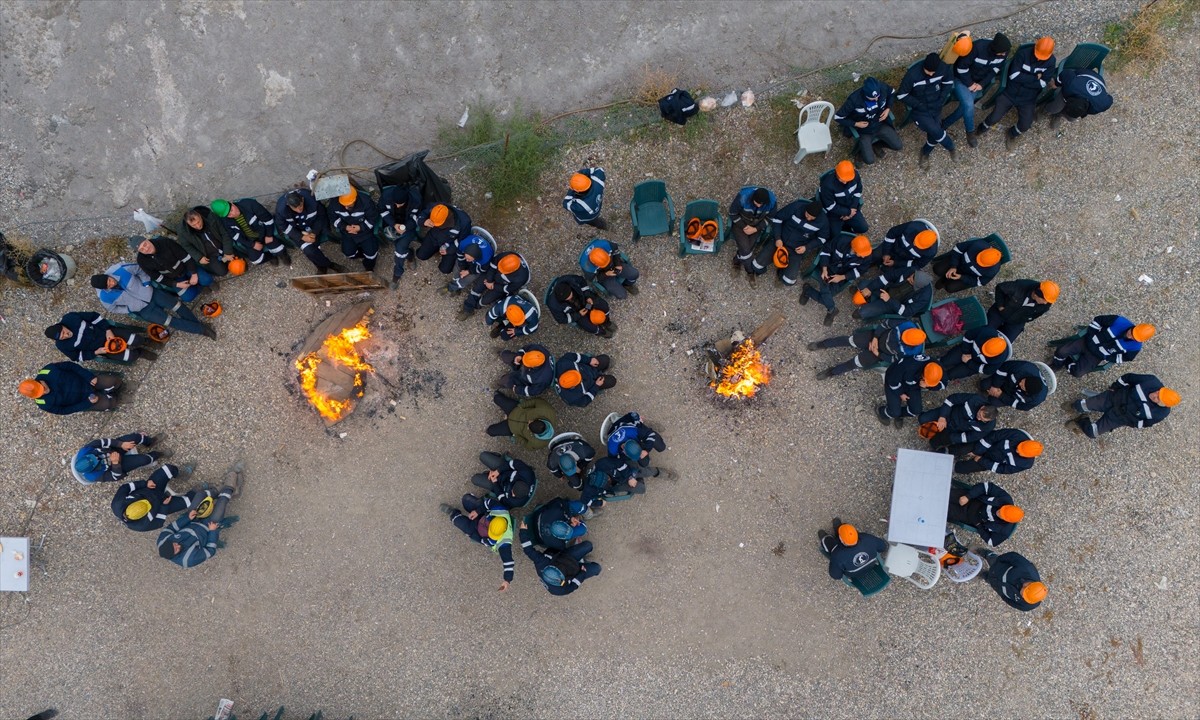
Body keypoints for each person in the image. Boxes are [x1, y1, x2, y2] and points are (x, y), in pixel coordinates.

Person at [91, 263, 215, 339]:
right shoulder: (104, 297)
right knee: (171, 321)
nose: (112, 283)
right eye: (108, 285)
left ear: (107, 275)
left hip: (153, 293)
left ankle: (198, 327)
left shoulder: (119, 269)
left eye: (109, 279)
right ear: (104, 288)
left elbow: (139, 269)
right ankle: (202, 329)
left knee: (178, 306)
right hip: (144, 310)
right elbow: (112, 308)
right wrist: (129, 309)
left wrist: (146, 284)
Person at [977, 36, 1057, 150]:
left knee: (1026, 125)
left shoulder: (1051, 61)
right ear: (1035, 46)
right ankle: (982, 128)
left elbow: (1043, 83)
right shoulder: (1023, 54)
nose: (1040, 59)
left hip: (1028, 99)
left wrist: (1025, 79)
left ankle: (1011, 134)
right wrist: (1035, 77)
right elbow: (1013, 76)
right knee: (994, 117)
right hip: (1010, 93)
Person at [156, 468, 241, 569]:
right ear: (174, 556)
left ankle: (216, 491)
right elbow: (210, 551)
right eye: (176, 549)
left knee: (200, 495)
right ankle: (230, 488)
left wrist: (188, 518)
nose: (178, 545)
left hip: (193, 521)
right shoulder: (189, 560)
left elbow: (173, 527)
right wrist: (212, 532)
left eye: (175, 544)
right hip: (207, 530)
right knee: (221, 504)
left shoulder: (163, 540)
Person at [942, 33, 1011, 145]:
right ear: (994, 49)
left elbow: (995, 70)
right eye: (1002, 52)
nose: (1004, 55)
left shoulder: (1004, 53)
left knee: (966, 106)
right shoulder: (977, 48)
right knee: (969, 105)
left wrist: (982, 84)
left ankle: (944, 124)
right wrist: (970, 84)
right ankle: (970, 132)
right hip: (962, 80)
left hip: (977, 84)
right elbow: (961, 68)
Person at [439, 496, 515, 592]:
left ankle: (453, 513)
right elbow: (487, 503)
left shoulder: (505, 542)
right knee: (466, 500)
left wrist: (507, 580)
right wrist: (478, 511)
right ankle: (470, 507)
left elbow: (508, 562)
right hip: (482, 516)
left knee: (459, 522)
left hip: (480, 534)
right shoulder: (500, 510)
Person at [1067, 373, 1179, 438]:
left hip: (1118, 418)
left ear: (1162, 405)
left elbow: (1145, 423)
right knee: (1080, 406)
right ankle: (1074, 406)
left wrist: (1128, 422)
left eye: (1158, 398)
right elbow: (1127, 377)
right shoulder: (1151, 381)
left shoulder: (1161, 413)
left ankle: (1082, 419)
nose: (1155, 394)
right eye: (1159, 392)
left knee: (1092, 433)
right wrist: (1114, 387)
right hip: (1112, 398)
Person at [801, 232, 874, 326]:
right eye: (861, 254)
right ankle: (831, 308)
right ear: (853, 249)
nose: (864, 256)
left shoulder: (867, 256)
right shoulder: (841, 240)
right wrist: (824, 269)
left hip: (842, 275)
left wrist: (842, 277)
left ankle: (808, 291)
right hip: (827, 269)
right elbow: (825, 251)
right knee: (825, 289)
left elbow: (860, 271)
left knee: (827, 295)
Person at [809, 320, 927, 378]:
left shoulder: (913, 352)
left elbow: (893, 359)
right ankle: (823, 344)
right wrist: (875, 337)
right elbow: (885, 325)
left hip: (879, 353)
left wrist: (877, 353)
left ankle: (832, 372)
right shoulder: (906, 324)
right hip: (876, 337)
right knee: (850, 340)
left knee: (855, 363)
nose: (902, 337)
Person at [897, 53, 956, 167]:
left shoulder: (942, 67)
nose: (931, 74)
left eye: (933, 72)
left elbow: (948, 82)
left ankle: (925, 152)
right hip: (920, 111)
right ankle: (951, 147)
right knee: (935, 129)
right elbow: (901, 95)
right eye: (928, 71)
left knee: (935, 133)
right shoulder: (912, 75)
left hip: (936, 106)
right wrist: (918, 104)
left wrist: (941, 98)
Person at [753, 199, 830, 285]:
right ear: (805, 209)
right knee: (756, 265)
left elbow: (822, 239)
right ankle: (770, 263)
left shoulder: (823, 222)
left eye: (812, 217)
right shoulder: (796, 207)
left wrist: (806, 247)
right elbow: (777, 219)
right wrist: (777, 237)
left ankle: (781, 272)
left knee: (789, 281)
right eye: (807, 215)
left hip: (796, 249)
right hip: (780, 242)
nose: (808, 218)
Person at [1051, 315, 1153, 377]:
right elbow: (1098, 320)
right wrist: (1090, 336)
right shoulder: (1119, 321)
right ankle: (1056, 365)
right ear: (1135, 327)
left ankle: (1067, 362)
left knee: (1077, 373)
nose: (1131, 337)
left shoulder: (1135, 347)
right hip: (1086, 341)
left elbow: (1126, 358)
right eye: (1132, 333)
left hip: (1096, 356)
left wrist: (1107, 357)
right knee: (1061, 351)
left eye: (1135, 338)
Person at [518, 519, 601, 596]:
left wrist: (523, 532)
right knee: (597, 568)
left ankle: (580, 558)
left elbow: (528, 550)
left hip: (566, 557)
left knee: (588, 545)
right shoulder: (559, 590)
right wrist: (582, 574)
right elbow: (574, 585)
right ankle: (582, 561)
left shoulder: (542, 562)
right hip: (574, 571)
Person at [110, 463, 200, 532]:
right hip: (160, 506)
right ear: (142, 516)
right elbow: (159, 522)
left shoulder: (117, 504)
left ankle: (181, 476)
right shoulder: (141, 526)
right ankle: (197, 492)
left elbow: (125, 487)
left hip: (151, 489)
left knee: (168, 469)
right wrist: (164, 506)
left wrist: (145, 484)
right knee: (191, 500)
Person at [833, 76, 902, 164]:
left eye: (878, 96)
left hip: (880, 125)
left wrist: (888, 108)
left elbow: (892, 93)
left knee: (898, 146)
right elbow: (838, 117)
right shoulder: (854, 100)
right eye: (872, 98)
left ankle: (876, 145)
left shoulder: (882, 87)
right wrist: (856, 124)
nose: (876, 99)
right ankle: (860, 153)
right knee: (869, 160)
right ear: (865, 94)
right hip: (864, 131)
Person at [275, 188, 343, 274]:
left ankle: (321, 268)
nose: (298, 210)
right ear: (288, 205)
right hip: (298, 231)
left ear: (302, 199)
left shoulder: (312, 200)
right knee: (309, 251)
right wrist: (301, 236)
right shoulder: (281, 209)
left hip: (314, 227)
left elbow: (321, 216)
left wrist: (314, 232)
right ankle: (329, 265)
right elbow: (282, 225)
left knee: (312, 251)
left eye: (300, 205)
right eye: (294, 208)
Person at [45, 311, 157, 363]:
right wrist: (96, 352)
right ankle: (140, 352)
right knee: (130, 357)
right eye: (62, 337)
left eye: (63, 332)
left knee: (136, 339)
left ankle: (146, 341)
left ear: (62, 325)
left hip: (107, 333)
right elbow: (77, 357)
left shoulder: (71, 318)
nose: (65, 335)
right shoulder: (62, 346)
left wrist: (108, 330)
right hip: (104, 348)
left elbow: (94, 317)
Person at [210, 198, 290, 267]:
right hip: (250, 239)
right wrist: (252, 244)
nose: (233, 214)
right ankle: (271, 256)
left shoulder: (250, 204)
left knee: (278, 248)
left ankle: (283, 254)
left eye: (231, 210)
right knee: (256, 260)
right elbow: (235, 236)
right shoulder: (225, 220)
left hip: (264, 233)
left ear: (231, 203)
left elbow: (268, 219)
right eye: (229, 215)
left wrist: (269, 235)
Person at [19, 362, 122, 415]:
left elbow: (71, 366)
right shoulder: (44, 405)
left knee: (115, 382)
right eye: (41, 393)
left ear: (38, 381)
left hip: (87, 381)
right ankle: (109, 396)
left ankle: (110, 389)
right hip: (85, 399)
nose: (45, 392)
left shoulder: (49, 370)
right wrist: (88, 403)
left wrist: (89, 377)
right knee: (111, 403)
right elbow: (66, 410)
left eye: (42, 388)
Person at [72, 432, 166, 484]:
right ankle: (157, 454)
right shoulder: (94, 476)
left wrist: (121, 444)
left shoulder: (84, 451)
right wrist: (116, 463)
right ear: (93, 468)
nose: (96, 457)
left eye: (93, 456)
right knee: (144, 460)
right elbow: (116, 476)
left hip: (113, 449)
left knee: (135, 437)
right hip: (117, 465)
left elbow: (102, 442)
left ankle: (150, 441)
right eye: (96, 460)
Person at [950, 480, 1022, 547]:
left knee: (945, 510)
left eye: (1002, 515)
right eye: (1002, 509)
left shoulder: (1005, 531)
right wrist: (968, 496)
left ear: (1007, 520)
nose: (999, 512)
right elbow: (986, 486)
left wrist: (979, 526)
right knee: (946, 493)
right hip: (973, 500)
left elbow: (991, 542)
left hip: (967, 516)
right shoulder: (1005, 498)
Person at [917, 393, 998, 453]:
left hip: (955, 430)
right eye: (979, 415)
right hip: (949, 414)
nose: (978, 419)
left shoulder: (988, 427)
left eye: (983, 420)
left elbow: (969, 437)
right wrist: (942, 416)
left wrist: (951, 437)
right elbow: (951, 399)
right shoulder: (974, 399)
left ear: (989, 420)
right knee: (922, 419)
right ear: (982, 407)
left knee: (934, 443)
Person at [377, 184, 422, 288]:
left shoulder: (416, 200)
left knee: (399, 250)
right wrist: (393, 224)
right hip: (391, 226)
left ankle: (397, 275)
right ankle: (410, 254)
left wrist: (406, 227)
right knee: (399, 245)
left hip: (407, 228)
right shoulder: (386, 196)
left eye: (400, 204)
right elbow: (381, 210)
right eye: (395, 203)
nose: (397, 206)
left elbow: (418, 216)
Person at [135, 235, 213, 296]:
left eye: (145, 244)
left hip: (186, 267)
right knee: (188, 297)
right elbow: (158, 278)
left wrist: (194, 273)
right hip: (174, 278)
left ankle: (199, 278)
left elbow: (186, 257)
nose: (145, 249)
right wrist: (176, 284)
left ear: (147, 239)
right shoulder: (141, 261)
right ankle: (199, 287)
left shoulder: (165, 242)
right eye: (141, 249)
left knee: (207, 280)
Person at [327, 186, 380, 272]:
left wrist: (360, 227)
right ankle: (360, 254)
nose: (346, 207)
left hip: (365, 233)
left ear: (355, 199)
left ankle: (369, 267)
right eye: (344, 205)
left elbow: (372, 218)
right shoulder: (334, 203)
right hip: (347, 233)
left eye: (349, 204)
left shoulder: (366, 202)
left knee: (371, 253)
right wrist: (345, 227)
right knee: (348, 253)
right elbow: (333, 218)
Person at [878, 357, 944, 427]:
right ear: (923, 374)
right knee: (894, 412)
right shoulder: (909, 366)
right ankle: (883, 412)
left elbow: (943, 383)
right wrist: (901, 393)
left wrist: (927, 385)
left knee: (916, 410)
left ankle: (900, 414)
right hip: (895, 381)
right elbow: (893, 382)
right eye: (926, 381)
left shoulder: (936, 367)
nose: (927, 384)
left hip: (912, 384)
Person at [986, 279, 1058, 342]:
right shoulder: (1020, 286)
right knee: (985, 332)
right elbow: (1000, 288)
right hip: (1000, 313)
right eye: (1044, 300)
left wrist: (1023, 319)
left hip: (1017, 322)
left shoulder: (1045, 305)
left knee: (1004, 344)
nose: (1046, 303)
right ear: (1036, 294)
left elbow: (1035, 315)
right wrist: (1000, 306)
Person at [817, 519, 888, 582]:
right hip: (871, 566)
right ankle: (839, 528)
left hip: (854, 574)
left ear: (841, 540)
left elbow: (836, 575)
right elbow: (883, 547)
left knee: (830, 544)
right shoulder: (867, 538)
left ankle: (827, 537)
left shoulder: (837, 554)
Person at [729, 186, 777, 275]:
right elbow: (732, 214)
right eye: (757, 203)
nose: (759, 205)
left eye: (761, 204)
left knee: (747, 247)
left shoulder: (772, 202)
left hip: (756, 226)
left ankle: (737, 261)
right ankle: (750, 271)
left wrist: (756, 229)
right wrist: (744, 226)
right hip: (740, 224)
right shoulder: (743, 197)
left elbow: (770, 218)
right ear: (752, 198)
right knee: (747, 249)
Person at [1044, 67, 1113, 129]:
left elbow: (1110, 100)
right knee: (1053, 109)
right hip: (1084, 74)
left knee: (1071, 119)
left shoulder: (1099, 106)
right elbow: (1066, 73)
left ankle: (1058, 115)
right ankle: (1044, 109)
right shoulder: (1071, 86)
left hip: (1094, 81)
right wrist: (1056, 84)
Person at [546, 275, 614, 337]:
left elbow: (582, 281)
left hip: (585, 301)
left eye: (570, 294)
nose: (570, 297)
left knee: (603, 305)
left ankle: (606, 321)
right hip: (576, 313)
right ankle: (601, 332)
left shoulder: (569, 279)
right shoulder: (553, 305)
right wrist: (579, 314)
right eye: (567, 298)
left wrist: (587, 296)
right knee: (590, 327)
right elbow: (561, 319)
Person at [978, 550, 1046, 611]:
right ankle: (983, 552)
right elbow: (1012, 556)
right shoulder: (1026, 568)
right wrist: (999, 560)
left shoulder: (1027, 606)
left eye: (1024, 596)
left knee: (988, 579)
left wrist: (1002, 594)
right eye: (1024, 591)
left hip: (996, 584)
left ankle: (983, 575)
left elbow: (1011, 602)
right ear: (1030, 584)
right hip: (999, 566)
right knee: (992, 559)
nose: (1021, 595)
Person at [485, 391, 557, 449]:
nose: (529, 422)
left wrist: (516, 436)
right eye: (531, 421)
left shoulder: (537, 443)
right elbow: (536, 401)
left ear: (536, 434)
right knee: (496, 397)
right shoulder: (546, 410)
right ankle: (499, 397)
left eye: (529, 426)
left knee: (490, 431)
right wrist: (521, 405)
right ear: (540, 419)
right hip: (516, 410)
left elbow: (526, 445)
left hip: (512, 428)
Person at [937, 327, 1010, 383]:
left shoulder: (1000, 359)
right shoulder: (986, 332)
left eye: (986, 354)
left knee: (951, 375)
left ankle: (938, 381)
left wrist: (969, 362)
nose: (982, 352)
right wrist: (966, 352)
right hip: (967, 350)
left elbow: (987, 370)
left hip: (974, 365)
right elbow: (968, 336)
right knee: (945, 361)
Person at [954, 429, 1042, 475]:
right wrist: (977, 450)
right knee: (962, 448)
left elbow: (1001, 469)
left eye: (1020, 452)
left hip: (990, 460)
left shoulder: (1025, 464)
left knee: (963, 468)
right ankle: (947, 451)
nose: (1017, 450)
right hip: (987, 443)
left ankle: (954, 467)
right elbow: (994, 436)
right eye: (1020, 447)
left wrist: (982, 460)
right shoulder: (1018, 435)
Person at [176, 206, 233, 277]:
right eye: (193, 225)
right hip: (209, 255)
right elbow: (186, 246)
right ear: (188, 224)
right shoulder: (183, 232)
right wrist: (199, 257)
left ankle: (226, 257)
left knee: (239, 262)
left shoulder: (211, 217)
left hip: (222, 245)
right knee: (222, 272)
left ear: (200, 216)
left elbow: (224, 234)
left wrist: (228, 251)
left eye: (198, 222)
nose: (198, 226)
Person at [854, 270, 933, 321]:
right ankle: (868, 298)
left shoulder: (924, 297)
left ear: (917, 286)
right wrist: (870, 288)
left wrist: (889, 300)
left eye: (911, 281)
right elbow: (887, 277)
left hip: (890, 304)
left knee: (861, 313)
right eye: (911, 276)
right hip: (885, 289)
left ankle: (868, 303)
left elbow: (906, 312)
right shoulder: (910, 271)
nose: (908, 278)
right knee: (863, 285)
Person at [416, 202, 473, 273]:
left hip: (450, 242)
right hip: (434, 236)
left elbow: (462, 241)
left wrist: (449, 250)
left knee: (445, 270)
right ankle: (434, 249)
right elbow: (421, 215)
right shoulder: (437, 208)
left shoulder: (464, 223)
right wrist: (423, 221)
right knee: (421, 255)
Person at [465, 251, 530, 313]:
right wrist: (489, 280)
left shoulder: (521, 278)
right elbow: (492, 266)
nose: (500, 270)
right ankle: (468, 307)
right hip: (493, 275)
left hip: (502, 285)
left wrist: (494, 286)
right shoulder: (506, 256)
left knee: (487, 300)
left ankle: (478, 305)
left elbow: (508, 289)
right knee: (478, 286)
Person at [930, 239, 1003, 292]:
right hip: (958, 262)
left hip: (967, 275)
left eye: (981, 263)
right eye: (979, 257)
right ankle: (944, 278)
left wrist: (962, 277)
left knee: (950, 288)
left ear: (993, 264)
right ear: (986, 249)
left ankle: (944, 281)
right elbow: (958, 249)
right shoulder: (978, 244)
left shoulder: (993, 270)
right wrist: (953, 266)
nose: (977, 262)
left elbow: (979, 282)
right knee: (937, 269)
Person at [468, 452, 536, 508]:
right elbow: (514, 463)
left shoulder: (515, 502)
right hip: (504, 470)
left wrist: (495, 482)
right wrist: (498, 471)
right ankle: (497, 457)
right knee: (482, 456)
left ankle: (489, 474)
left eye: (514, 495)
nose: (512, 495)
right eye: (513, 492)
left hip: (498, 485)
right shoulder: (527, 473)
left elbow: (501, 497)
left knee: (474, 479)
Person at [819, 160, 866, 237]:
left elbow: (858, 191)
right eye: (842, 179)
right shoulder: (827, 185)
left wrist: (853, 208)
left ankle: (847, 227)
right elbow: (830, 206)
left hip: (851, 208)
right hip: (835, 213)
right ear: (836, 173)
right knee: (835, 236)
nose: (845, 182)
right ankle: (845, 228)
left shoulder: (855, 175)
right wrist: (847, 212)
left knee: (863, 228)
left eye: (847, 180)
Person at [979, 360, 1048, 411]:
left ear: (1027, 392)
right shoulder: (1023, 367)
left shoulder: (1035, 400)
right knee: (983, 384)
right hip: (1005, 381)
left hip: (1009, 395)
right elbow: (1003, 368)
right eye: (1023, 380)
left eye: (1023, 386)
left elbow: (1019, 405)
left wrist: (1001, 395)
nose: (1020, 383)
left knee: (992, 402)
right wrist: (995, 386)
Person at [871, 221, 939, 271]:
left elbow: (917, 265)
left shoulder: (931, 252)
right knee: (875, 255)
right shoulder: (911, 226)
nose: (914, 244)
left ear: (928, 246)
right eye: (916, 241)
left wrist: (896, 263)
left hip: (903, 260)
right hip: (892, 246)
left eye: (918, 245)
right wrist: (886, 253)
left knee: (891, 274)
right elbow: (892, 233)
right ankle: (871, 264)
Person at [525, 497, 589, 550]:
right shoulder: (558, 544)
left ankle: (587, 513)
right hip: (541, 530)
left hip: (539, 518)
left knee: (579, 508)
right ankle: (585, 513)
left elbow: (559, 500)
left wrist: (570, 517)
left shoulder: (556, 511)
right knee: (583, 529)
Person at [444, 235, 494, 300]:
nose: (467, 260)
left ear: (476, 258)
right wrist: (462, 267)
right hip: (469, 255)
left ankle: (455, 287)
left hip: (477, 265)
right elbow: (460, 256)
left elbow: (481, 269)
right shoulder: (462, 245)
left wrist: (468, 271)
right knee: (458, 266)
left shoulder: (485, 260)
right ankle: (455, 280)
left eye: (469, 259)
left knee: (470, 277)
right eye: (466, 257)